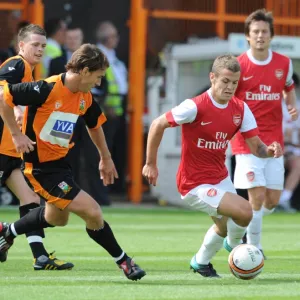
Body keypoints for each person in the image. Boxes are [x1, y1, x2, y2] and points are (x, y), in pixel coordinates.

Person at [0, 43, 146, 281]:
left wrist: (106, 158)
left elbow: (95, 125)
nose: (99, 83)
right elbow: (3, 97)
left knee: (56, 218)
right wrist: (16, 135)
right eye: (98, 77)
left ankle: (7, 232)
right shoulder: (45, 89)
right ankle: (124, 261)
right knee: (93, 212)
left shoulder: (84, 97)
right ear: (85, 71)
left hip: (60, 166)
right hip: (40, 169)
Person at [142, 55, 283, 277]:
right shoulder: (194, 106)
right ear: (212, 77)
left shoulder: (241, 109)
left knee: (223, 225)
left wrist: (270, 151)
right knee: (246, 211)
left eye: (235, 83)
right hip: (194, 183)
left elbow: (256, 147)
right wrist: (150, 163)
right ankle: (235, 246)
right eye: (225, 81)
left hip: (220, 178)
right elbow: (158, 124)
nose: (230, 87)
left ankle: (201, 262)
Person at [0, 24, 73, 270]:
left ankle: (40, 257)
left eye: (43, 45)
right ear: (21, 45)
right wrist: (17, 119)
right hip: (3, 148)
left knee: (30, 199)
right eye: (35, 44)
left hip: (11, 151)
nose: (40, 49)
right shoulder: (16, 64)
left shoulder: (30, 71)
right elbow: (1, 93)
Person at [230, 9, 298, 254]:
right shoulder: (238, 65)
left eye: (264, 32)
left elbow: (289, 87)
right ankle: (254, 249)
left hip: (275, 142)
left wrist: (291, 104)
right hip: (247, 141)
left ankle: (236, 233)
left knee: (271, 200)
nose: (260, 36)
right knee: (256, 198)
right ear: (248, 36)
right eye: (255, 32)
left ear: (271, 36)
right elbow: (227, 98)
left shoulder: (284, 63)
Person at [94, 21, 128, 194]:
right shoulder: (100, 56)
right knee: (103, 151)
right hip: (105, 111)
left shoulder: (114, 58)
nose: (116, 39)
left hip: (118, 110)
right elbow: (99, 85)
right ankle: (103, 189)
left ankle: (113, 187)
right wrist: (105, 104)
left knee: (116, 150)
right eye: (114, 35)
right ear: (106, 38)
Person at [278, 73, 300, 212]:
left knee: (297, 163)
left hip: (292, 149)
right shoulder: (273, 105)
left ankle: (284, 199)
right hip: (273, 148)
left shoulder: (298, 107)